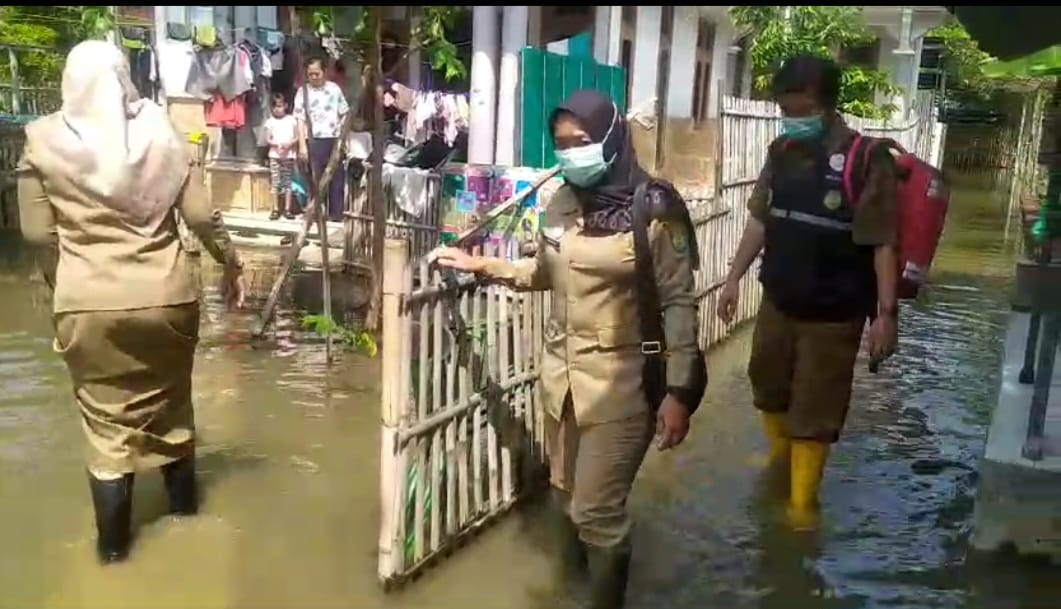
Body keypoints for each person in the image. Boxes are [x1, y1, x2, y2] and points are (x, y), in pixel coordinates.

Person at [436, 90, 704, 609]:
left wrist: (679, 391)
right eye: (561, 143)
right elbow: (543, 272)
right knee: (564, 495)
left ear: (610, 138)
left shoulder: (656, 207)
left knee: (597, 513)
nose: (569, 153)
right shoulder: (559, 201)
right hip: (560, 379)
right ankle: (567, 588)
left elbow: (678, 303)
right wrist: (483, 266)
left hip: (623, 383)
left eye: (580, 142)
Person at [16, 40, 245, 564]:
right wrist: (230, 262)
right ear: (124, 79)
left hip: (86, 304)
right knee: (173, 411)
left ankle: (114, 560)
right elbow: (203, 217)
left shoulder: (43, 140)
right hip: (168, 299)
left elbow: (36, 236)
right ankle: (188, 531)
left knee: (105, 431)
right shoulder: (159, 131)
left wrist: (66, 286)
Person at [717, 54, 900, 528]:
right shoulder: (780, 153)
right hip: (779, 297)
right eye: (784, 109)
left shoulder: (865, 159)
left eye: (798, 109)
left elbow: (883, 242)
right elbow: (760, 219)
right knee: (768, 383)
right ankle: (781, 460)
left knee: (815, 406)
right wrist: (734, 277)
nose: (790, 119)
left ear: (824, 104)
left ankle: (802, 505)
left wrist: (886, 314)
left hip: (835, 311)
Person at [294, 56, 350, 223]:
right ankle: (318, 213)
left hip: (333, 139)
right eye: (310, 74)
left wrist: (342, 139)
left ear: (324, 72)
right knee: (315, 179)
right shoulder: (302, 92)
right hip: (314, 140)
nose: (314, 77)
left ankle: (336, 215)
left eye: (317, 73)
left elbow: (345, 113)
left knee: (336, 177)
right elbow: (299, 119)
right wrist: (302, 145)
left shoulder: (334, 89)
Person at [264, 93, 299, 220]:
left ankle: (287, 209)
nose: (277, 109)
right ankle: (275, 209)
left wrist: (289, 144)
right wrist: (276, 144)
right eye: (275, 107)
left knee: (287, 182)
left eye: (280, 106)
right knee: (275, 182)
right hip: (275, 155)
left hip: (288, 155)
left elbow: (296, 137)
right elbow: (268, 138)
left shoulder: (291, 120)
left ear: (285, 106)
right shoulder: (270, 121)